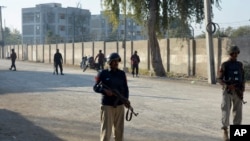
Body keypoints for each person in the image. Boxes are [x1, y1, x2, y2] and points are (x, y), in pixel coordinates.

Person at [93, 52, 130, 141]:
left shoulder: (122, 74)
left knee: (119, 132)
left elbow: (125, 88)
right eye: (114, 61)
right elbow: (95, 87)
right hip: (107, 106)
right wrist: (104, 91)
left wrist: (126, 100)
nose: (116, 63)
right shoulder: (102, 73)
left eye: (117, 61)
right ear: (109, 62)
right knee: (106, 132)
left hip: (120, 105)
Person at [217, 45, 245, 141]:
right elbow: (219, 79)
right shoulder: (225, 65)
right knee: (225, 111)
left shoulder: (240, 65)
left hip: (238, 92)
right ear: (230, 54)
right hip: (227, 91)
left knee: (238, 113)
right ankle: (225, 131)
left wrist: (242, 91)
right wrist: (227, 86)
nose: (235, 55)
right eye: (233, 53)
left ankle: (237, 135)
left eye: (236, 53)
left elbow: (243, 79)